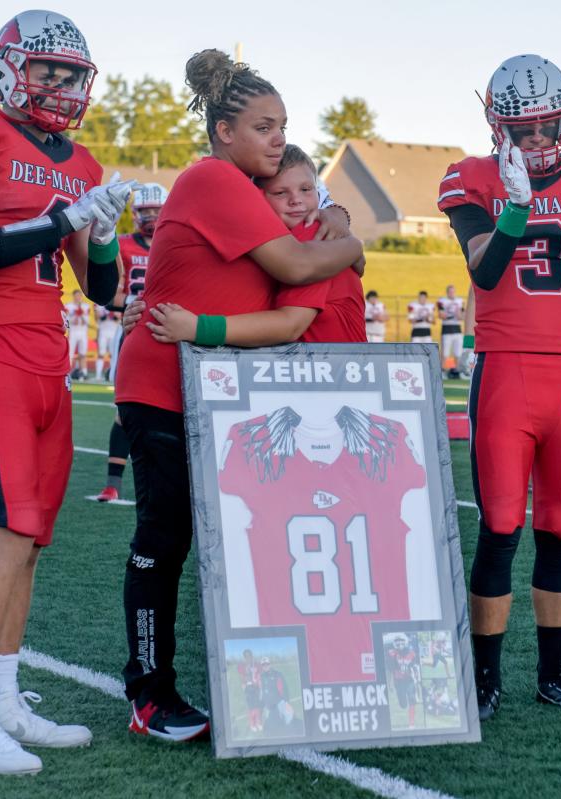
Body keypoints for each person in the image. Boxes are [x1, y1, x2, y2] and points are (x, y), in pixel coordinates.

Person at [113, 48, 361, 743]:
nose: (278, 137)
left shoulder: (250, 192)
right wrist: (350, 238)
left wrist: (333, 212)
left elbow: (308, 214)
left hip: (215, 391)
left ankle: (253, 686)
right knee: (164, 537)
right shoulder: (212, 178)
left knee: (232, 539)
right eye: (263, 125)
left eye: (282, 124)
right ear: (223, 131)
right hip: (164, 383)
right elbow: (299, 260)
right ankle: (148, 693)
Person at [0, 9, 130, 774]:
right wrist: (70, 216)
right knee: (7, 532)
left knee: (33, 539)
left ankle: (2, 695)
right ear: (10, 68)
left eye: (72, 74)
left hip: (50, 356)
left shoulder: (81, 162)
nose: (62, 86)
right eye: (48, 71)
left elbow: (101, 287)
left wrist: (101, 226)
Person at [438, 53, 561, 720]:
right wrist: (516, 207)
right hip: (508, 365)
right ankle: (485, 677)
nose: (539, 143)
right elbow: (484, 273)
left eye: (548, 129)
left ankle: (553, 673)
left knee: (560, 528)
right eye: (525, 131)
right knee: (501, 525)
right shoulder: (472, 177)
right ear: (499, 127)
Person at [143, 144, 367, 347]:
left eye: (306, 189)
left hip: (335, 375)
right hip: (320, 372)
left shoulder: (310, 233)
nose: (296, 200)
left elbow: (290, 325)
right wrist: (142, 307)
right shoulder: (273, 246)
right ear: (257, 198)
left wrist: (198, 328)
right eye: (280, 192)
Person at [96, 183, 166, 503]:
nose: (151, 217)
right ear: (135, 214)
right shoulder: (122, 245)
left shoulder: (176, 245)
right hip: (133, 330)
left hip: (171, 330)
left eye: (156, 210)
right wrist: (138, 303)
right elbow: (109, 294)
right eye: (145, 211)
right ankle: (113, 483)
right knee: (125, 410)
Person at [386, 634, 421, 729]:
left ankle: (411, 723)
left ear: (405, 641)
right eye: (397, 641)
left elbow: (416, 667)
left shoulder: (412, 653)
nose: (399, 643)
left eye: (401, 640)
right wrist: (390, 684)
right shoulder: (391, 654)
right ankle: (403, 703)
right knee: (403, 704)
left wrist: (417, 680)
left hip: (409, 680)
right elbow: (390, 670)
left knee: (411, 700)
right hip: (398, 682)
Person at [438, 284, 465, 377]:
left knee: (458, 352)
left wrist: (458, 314)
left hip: (457, 329)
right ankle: (441, 371)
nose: (451, 293)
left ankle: (457, 371)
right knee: (445, 352)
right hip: (446, 329)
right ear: (447, 292)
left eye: (453, 291)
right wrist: (452, 314)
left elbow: (462, 316)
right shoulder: (442, 301)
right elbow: (441, 315)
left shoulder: (460, 301)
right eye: (450, 291)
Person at [65, 289, 90, 380]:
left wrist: (81, 314)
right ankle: (67, 372)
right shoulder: (68, 306)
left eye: (79, 296)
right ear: (73, 296)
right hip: (73, 332)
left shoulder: (85, 306)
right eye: (76, 296)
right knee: (70, 354)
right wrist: (74, 316)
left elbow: (86, 322)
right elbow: (67, 321)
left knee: (82, 353)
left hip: (83, 332)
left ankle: (84, 372)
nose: (78, 298)